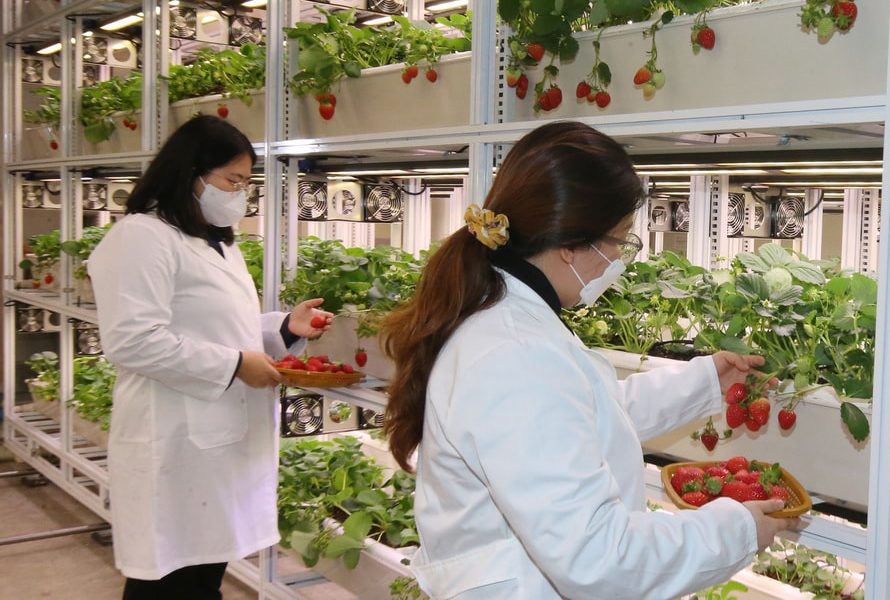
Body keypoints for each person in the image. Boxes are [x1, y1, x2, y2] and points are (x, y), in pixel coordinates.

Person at [380, 120, 800, 599]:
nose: (620, 260)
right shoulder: (516, 356)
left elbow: (578, 416)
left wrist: (705, 381)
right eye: (620, 241)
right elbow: (599, 560)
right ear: (571, 245)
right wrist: (736, 531)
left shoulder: (505, 320)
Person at [88, 116, 334, 599]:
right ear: (192, 174)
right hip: (172, 440)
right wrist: (235, 366)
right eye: (233, 180)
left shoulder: (215, 241)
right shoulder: (142, 237)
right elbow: (132, 340)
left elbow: (224, 329)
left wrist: (284, 328)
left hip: (218, 445)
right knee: (167, 584)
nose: (240, 194)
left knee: (202, 581)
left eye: (246, 183)